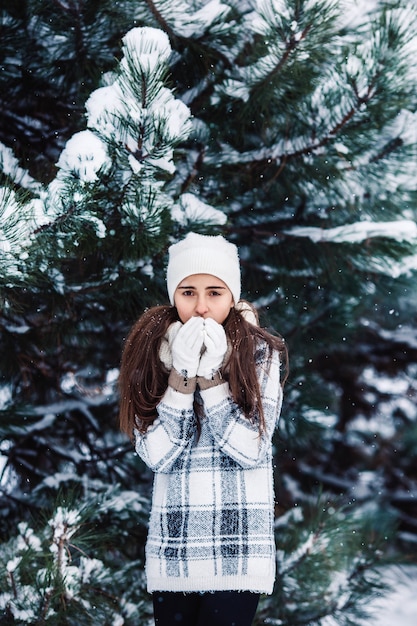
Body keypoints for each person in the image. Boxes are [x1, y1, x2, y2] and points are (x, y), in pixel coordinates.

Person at [119, 232, 288, 626]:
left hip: (238, 547)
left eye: (214, 292)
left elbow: (250, 449)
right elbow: (158, 454)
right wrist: (180, 376)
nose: (200, 307)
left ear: (233, 296)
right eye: (188, 292)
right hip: (174, 549)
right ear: (172, 295)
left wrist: (211, 379)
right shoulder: (151, 350)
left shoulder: (260, 351)